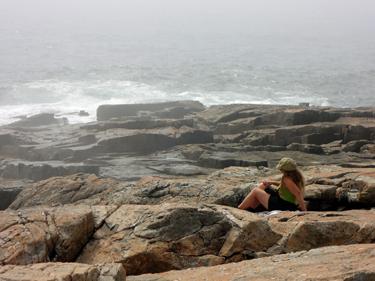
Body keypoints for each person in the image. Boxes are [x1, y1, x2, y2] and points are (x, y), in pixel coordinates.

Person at [238, 157, 307, 212]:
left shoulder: (287, 179)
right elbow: (289, 186)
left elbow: (298, 193)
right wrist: (272, 182)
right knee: (263, 185)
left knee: (255, 191)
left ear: (283, 170)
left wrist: (305, 211)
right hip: (287, 202)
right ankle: (251, 210)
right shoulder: (296, 176)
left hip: (283, 206)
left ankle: (239, 209)